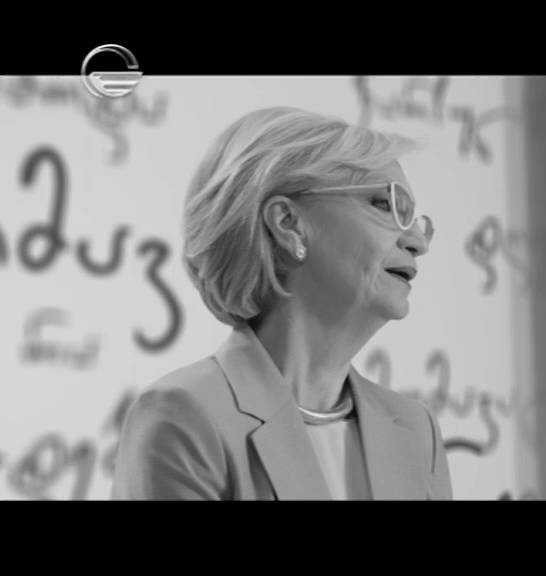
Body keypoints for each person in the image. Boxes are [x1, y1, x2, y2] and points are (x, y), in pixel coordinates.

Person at [111, 106, 452, 500]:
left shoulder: (416, 431)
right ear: (287, 223)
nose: (418, 242)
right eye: (384, 204)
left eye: (414, 218)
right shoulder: (185, 415)